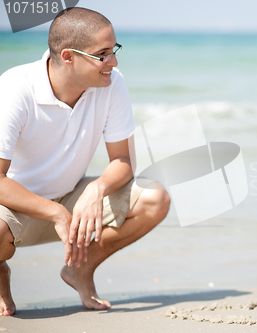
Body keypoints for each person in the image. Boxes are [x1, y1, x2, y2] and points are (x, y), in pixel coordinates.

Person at [0, 7, 170, 316]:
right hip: (15, 207)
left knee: (154, 198)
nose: (114, 62)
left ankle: (81, 270)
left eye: (114, 50)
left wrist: (97, 189)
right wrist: (54, 212)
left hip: (71, 200)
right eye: (103, 54)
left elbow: (122, 160)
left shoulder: (111, 83)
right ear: (68, 56)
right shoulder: (14, 88)